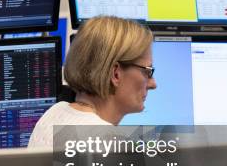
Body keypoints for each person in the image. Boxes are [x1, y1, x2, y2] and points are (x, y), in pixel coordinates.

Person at [28, 16, 157, 148]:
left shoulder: (55, 112)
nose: (153, 84)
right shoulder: (110, 144)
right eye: (147, 71)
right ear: (115, 74)